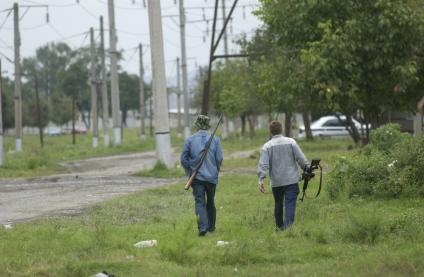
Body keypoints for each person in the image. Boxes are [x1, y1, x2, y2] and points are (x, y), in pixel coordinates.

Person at [257, 121, 310, 230]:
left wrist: (261, 179)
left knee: (278, 204)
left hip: (277, 182)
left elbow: (264, 164)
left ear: (270, 131)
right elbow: (301, 158)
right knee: (290, 204)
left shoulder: (267, 146)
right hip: (291, 180)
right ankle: (288, 228)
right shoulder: (291, 142)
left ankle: (280, 227)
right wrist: (307, 168)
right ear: (281, 129)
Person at [180, 115, 223, 236]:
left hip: (197, 178)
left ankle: (202, 227)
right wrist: (216, 171)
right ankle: (211, 227)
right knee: (211, 201)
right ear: (208, 126)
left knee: (199, 202)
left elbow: (183, 159)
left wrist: (190, 170)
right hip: (212, 177)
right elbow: (219, 158)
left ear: (197, 126)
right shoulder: (215, 139)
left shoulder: (190, 140)